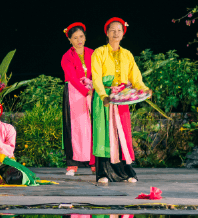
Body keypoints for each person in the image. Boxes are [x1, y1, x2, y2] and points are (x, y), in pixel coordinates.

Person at [91, 18, 151, 184]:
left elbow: (135, 76)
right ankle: (102, 173)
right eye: (112, 30)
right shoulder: (99, 52)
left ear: (123, 34)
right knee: (104, 135)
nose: (116, 33)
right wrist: (103, 95)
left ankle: (126, 172)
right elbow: (96, 77)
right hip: (105, 99)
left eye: (119, 30)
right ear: (107, 33)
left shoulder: (127, 54)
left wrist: (144, 89)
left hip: (122, 100)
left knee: (122, 134)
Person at [61, 23, 95, 176]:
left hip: (92, 91)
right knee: (73, 128)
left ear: (85, 37)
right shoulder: (67, 56)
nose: (79, 40)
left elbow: (97, 71)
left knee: (92, 126)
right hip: (74, 93)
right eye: (75, 38)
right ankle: (72, 164)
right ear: (70, 40)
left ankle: (93, 162)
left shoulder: (93, 53)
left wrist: (93, 88)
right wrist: (84, 90)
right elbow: (72, 77)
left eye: (81, 36)